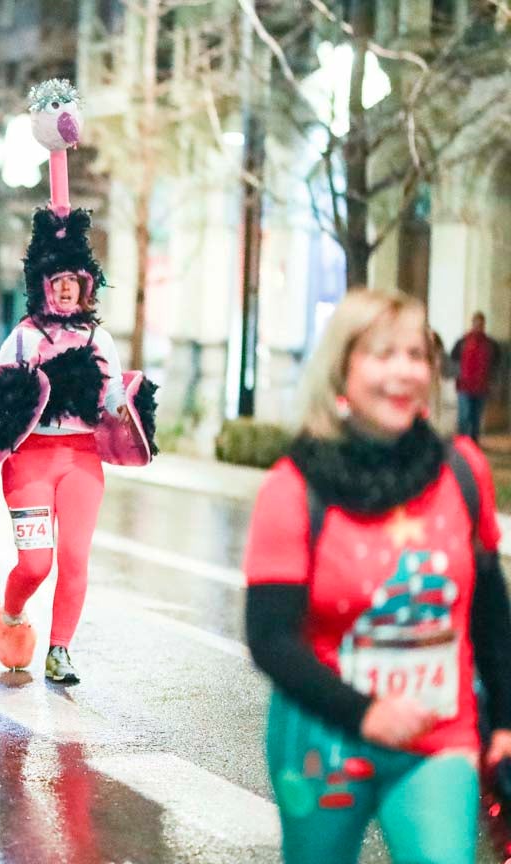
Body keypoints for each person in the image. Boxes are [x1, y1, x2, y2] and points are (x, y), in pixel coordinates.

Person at [244, 290, 511, 863]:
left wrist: (507, 722)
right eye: (383, 354)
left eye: (416, 354)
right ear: (343, 368)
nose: (404, 371)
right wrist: (367, 713)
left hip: (439, 740)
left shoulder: (463, 470)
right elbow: (269, 639)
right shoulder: (293, 489)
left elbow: (490, 610)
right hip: (324, 741)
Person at [0, 207, 144, 685]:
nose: (66, 287)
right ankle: (10, 613)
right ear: (42, 284)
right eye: (57, 279)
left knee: (74, 558)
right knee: (35, 563)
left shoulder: (98, 337)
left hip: (82, 460)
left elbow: (112, 396)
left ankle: (60, 650)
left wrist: (127, 408)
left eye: (75, 279)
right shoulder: (23, 338)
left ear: (88, 286)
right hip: (29, 462)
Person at [450, 311, 500, 442]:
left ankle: (473, 444)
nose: (478, 326)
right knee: (464, 417)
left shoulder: (491, 344)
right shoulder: (462, 341)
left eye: (480, 324)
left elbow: (496, 364)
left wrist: (493, 382)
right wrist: (457, 377)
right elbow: (453, 359)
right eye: (476, 323)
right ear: (472, 323)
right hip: (464, 386)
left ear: (484, 325)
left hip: (481, 387)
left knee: (476, 419)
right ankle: (462, 444)